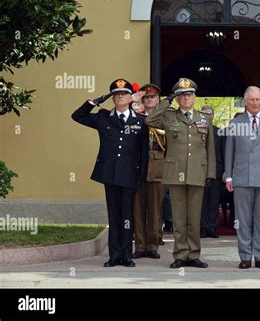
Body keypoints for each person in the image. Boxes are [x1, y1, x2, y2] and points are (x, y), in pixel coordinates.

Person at [71, 78, 149, 267]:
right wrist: (97, 100)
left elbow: (144, 152)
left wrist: (142, 175)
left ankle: (126, 255)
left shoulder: (141, 120)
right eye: (116, 94)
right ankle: (114, 255)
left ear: (131, 97)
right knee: (114, 215)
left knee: (127, 216)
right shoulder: (103, 117)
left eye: (123, 93)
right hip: (110, 173)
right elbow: (77, 116)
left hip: (130, 173)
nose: (120, 96)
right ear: (112, 98)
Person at [145, 78, 216, 268]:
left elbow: (210, 149)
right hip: (175, 171)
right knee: (178, 217)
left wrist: (210, 173)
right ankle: (180, 254)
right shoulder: (168, 116)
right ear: (177, 98)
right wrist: (167, 100)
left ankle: (193, 254)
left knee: (194, 217)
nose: (186, 98)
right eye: (181, 95)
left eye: (189, 94)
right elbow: (149, 119)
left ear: (195, 96)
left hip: (197, 172)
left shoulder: (204, 118)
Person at [225, 86, 260, 269]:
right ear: (245, 101)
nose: (255, 103)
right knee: (242, 220)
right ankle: (245, 257)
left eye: (258, 100)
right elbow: (229, 153)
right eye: (251, 100)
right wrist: (229, 177)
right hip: (241, 178)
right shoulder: (235, 124)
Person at [132, 83, 167, 259]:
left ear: (158, 99)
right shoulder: (135, 114)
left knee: (155, 210)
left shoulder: (165, 116)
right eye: (146, 97)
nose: (150, 100)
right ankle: (139, 245)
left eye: (152, 97)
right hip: (138, 165)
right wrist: (133, 102)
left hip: (157, 165)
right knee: (138, 209)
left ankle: (152, 245)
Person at [199, 105, 225, 238]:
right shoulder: (196, 130)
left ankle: (212, 228)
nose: (208, 115)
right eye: (205, 113)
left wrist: (225, 171)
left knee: (214, 201)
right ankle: (202, 228)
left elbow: (224, 153)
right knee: (202, 201)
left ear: (213, 115)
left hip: (216, 171)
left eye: (210, 113)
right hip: (200, 170)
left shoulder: (219, 132)